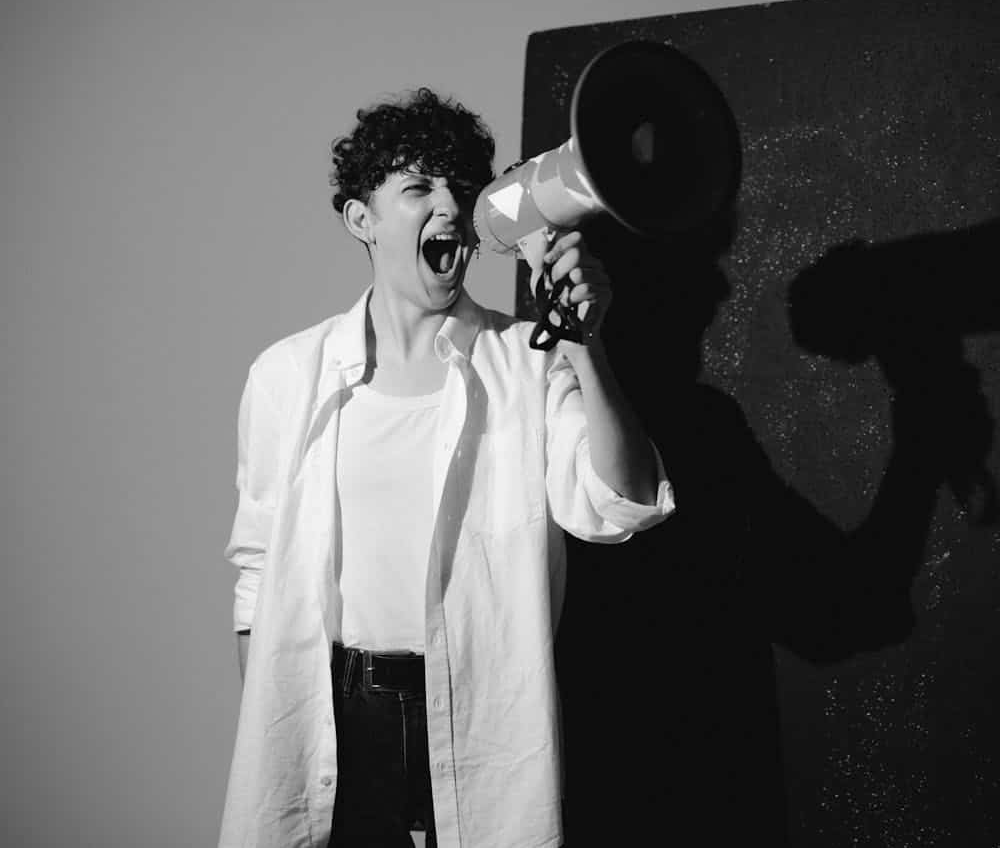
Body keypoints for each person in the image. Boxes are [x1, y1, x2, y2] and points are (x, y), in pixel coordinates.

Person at [218, 87, 674, 848]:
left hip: (476, 717)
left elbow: (619, 503)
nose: (451, 205)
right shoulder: (285, 376)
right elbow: (255, 579)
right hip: (329, 716)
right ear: (361, 219)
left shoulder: (523, 367)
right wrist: (279, 740)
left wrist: (583, 340)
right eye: (419, 186)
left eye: (461, 185)